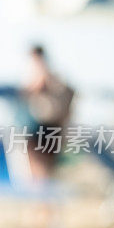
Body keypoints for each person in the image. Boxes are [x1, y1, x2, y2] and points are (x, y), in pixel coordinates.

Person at [20, 44, 75, 181]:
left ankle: (42, 197)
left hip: (45, 127)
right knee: (43, 171)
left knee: (40, 171)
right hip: (49, 128)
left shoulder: (43, 75)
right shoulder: (49, 75)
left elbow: (35, 88)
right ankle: (43, 196)